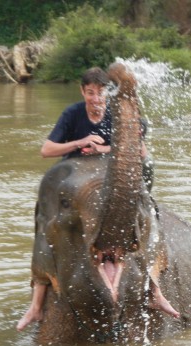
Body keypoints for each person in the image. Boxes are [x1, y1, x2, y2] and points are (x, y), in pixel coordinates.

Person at [17, 67, 179, 332]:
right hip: (75, 185)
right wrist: (80, 141)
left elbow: (141, 153)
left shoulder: (122, 115)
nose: (95, 98)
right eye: (90, 92)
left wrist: (105, 148)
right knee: (46, 225)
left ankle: (154, 289)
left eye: (100, 92)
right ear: (83, 92)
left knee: (147, 215)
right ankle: (37, 304)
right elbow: (46, 150)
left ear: (109, 92)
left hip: (116, 184)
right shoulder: (73, 114)